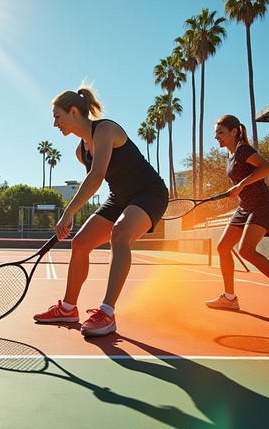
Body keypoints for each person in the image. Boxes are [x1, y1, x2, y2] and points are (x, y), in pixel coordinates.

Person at [33, 85, 169, 337]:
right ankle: (67, 308)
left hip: (150, 194)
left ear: (74, 112)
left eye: (57, 117)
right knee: (81, 242)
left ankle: (106, 312)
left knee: (120, 234)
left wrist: (68, 213)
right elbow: (92, 184)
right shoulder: (80, 151)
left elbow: (97, 176)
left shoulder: (106, 130)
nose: (55, 124)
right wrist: (74, 214)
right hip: (119, 199)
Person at [205, 115, 269, 317]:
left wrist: (240, 185)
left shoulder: (243, 150)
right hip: (245, 206)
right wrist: (239, 190)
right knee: (223, 247)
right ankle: (230, 298)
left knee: (246, 251)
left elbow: (267, 167)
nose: (216, 136)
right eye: (215, 132)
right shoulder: (230, 157)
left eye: (220, 132)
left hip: (262, 205)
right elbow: (246, 179)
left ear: (234, 132)